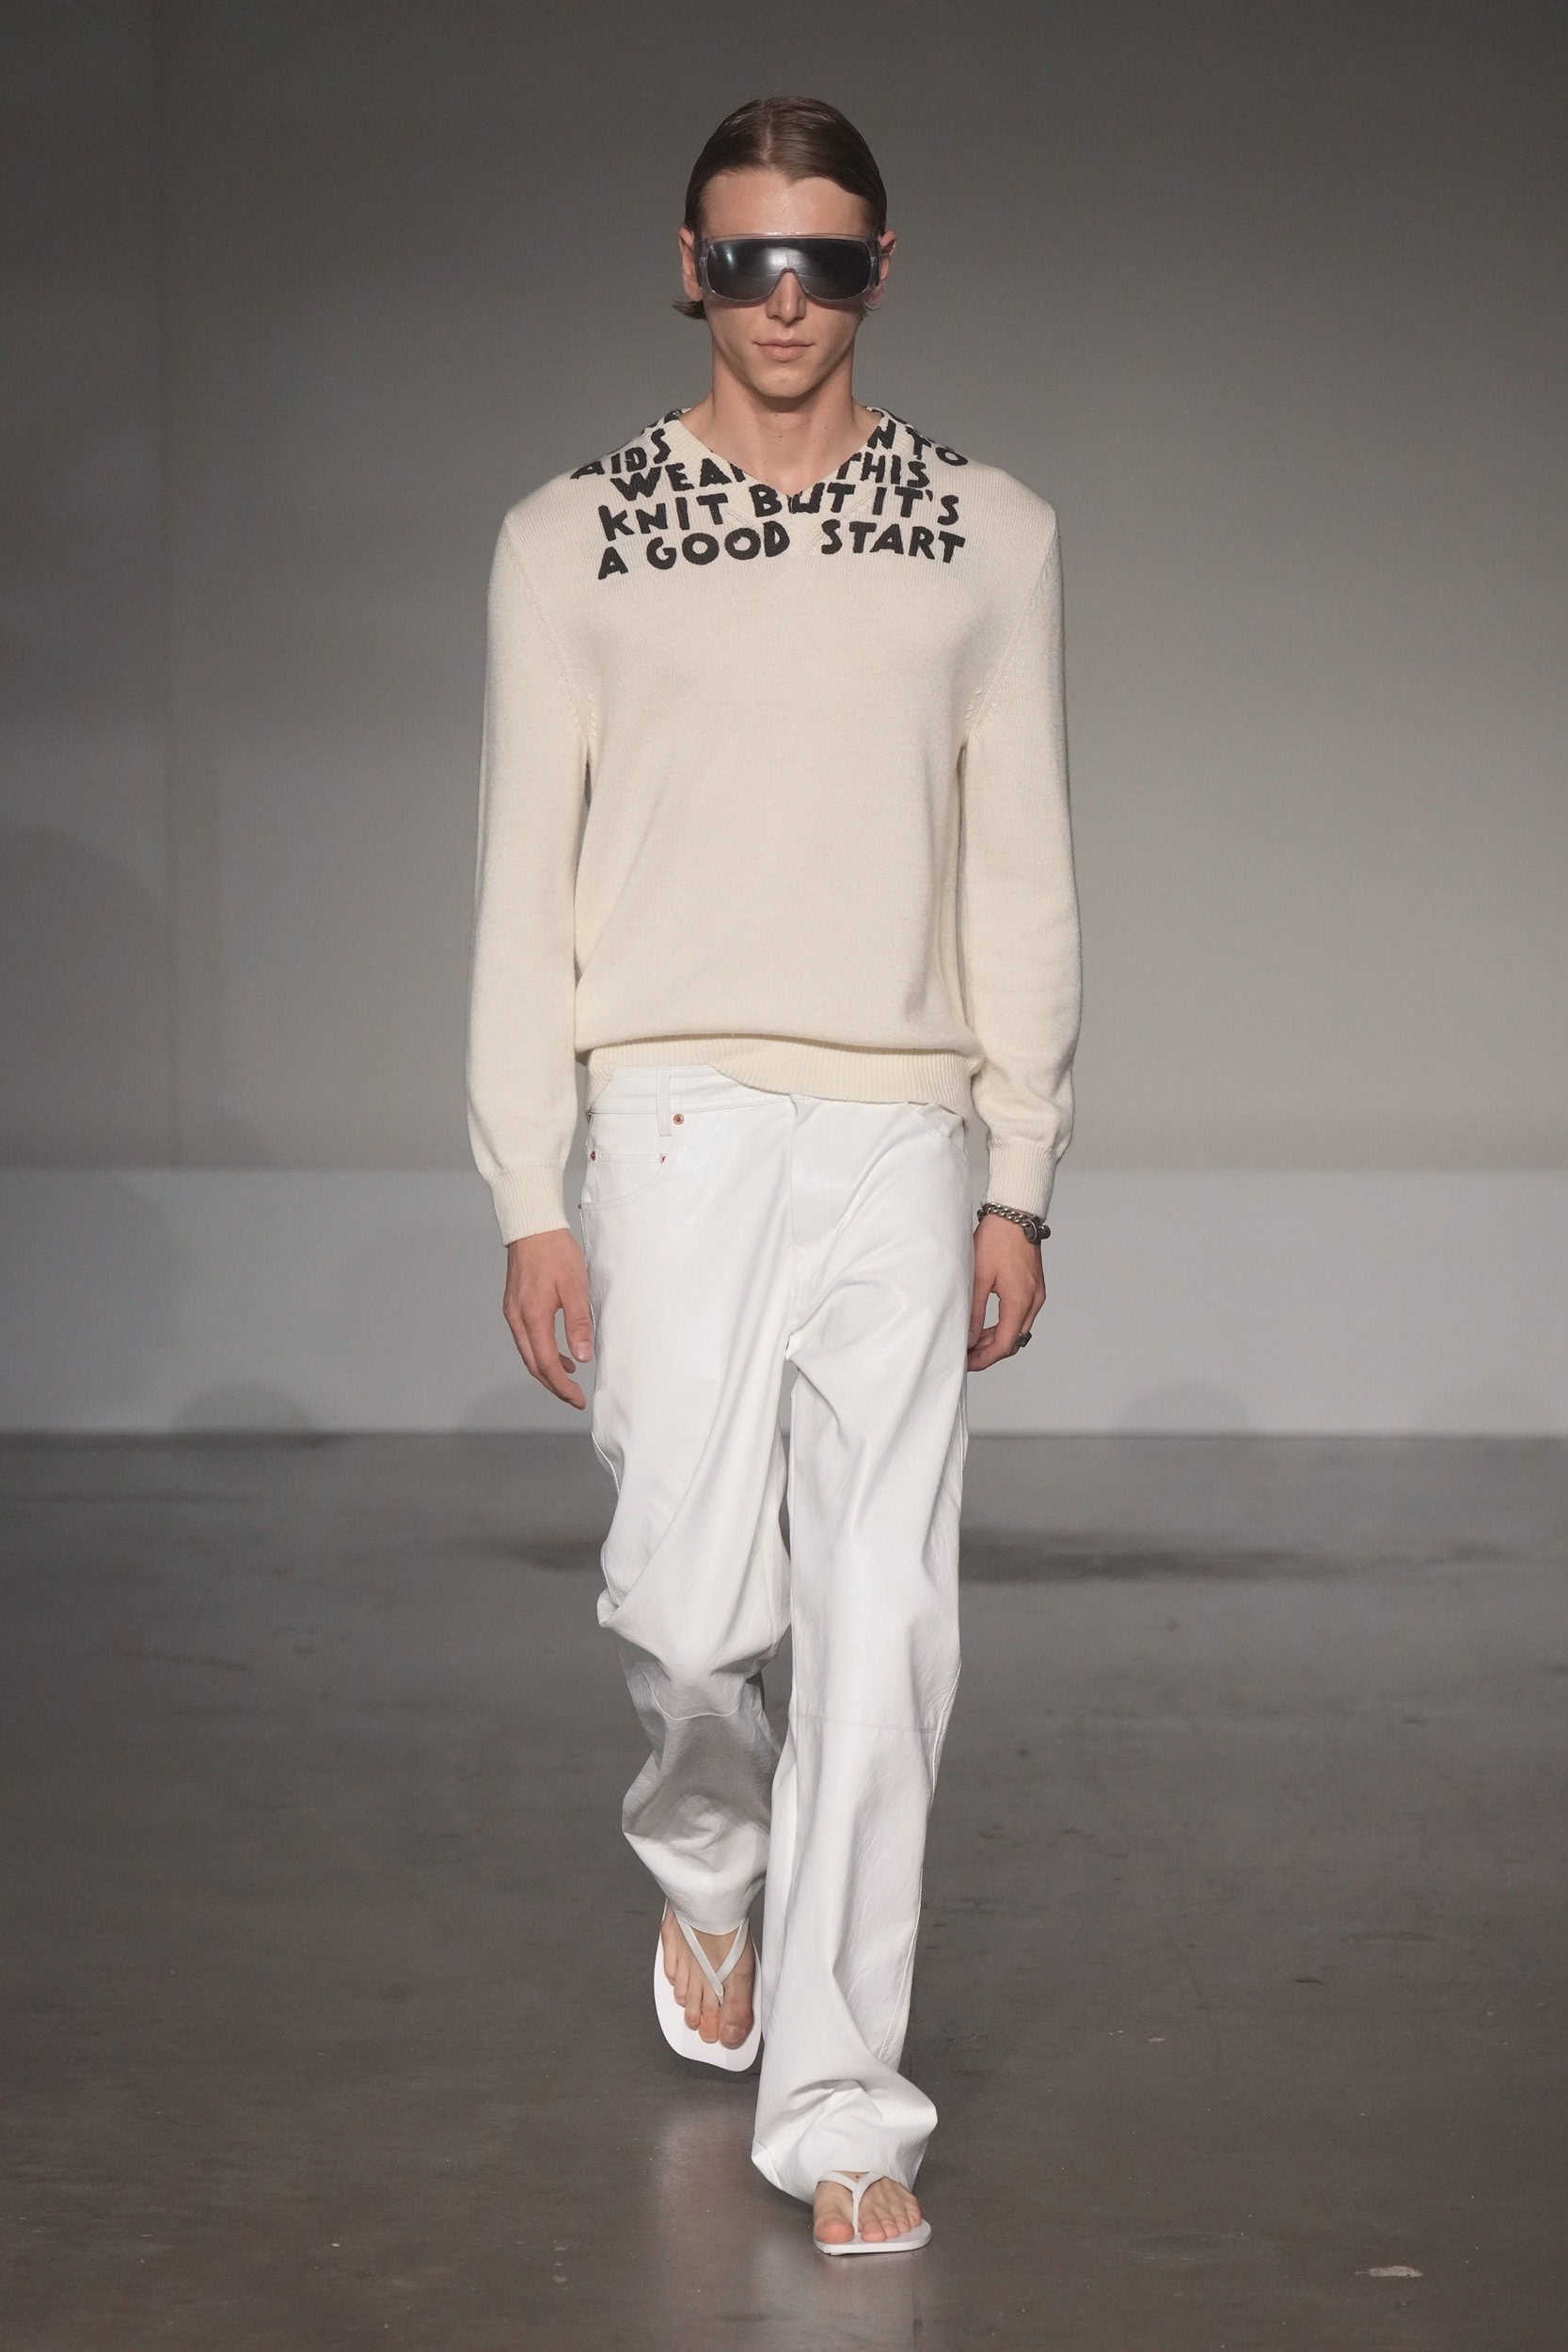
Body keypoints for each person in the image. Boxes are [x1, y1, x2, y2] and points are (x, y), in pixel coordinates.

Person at [466, 93, 1082, 2256]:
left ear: (881, 268)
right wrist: (527, 1187)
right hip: (669, 1121)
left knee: (886, 1625)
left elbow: (1022, 868)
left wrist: (1020, 1164)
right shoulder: (570, 540)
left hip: (903, 1125)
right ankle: (707, 1863)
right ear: (690, 269)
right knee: (688, 1600)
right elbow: (518, 887)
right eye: (746, 259)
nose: (783, 299)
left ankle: (839, 2108)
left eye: (820, 259)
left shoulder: (991, 536)